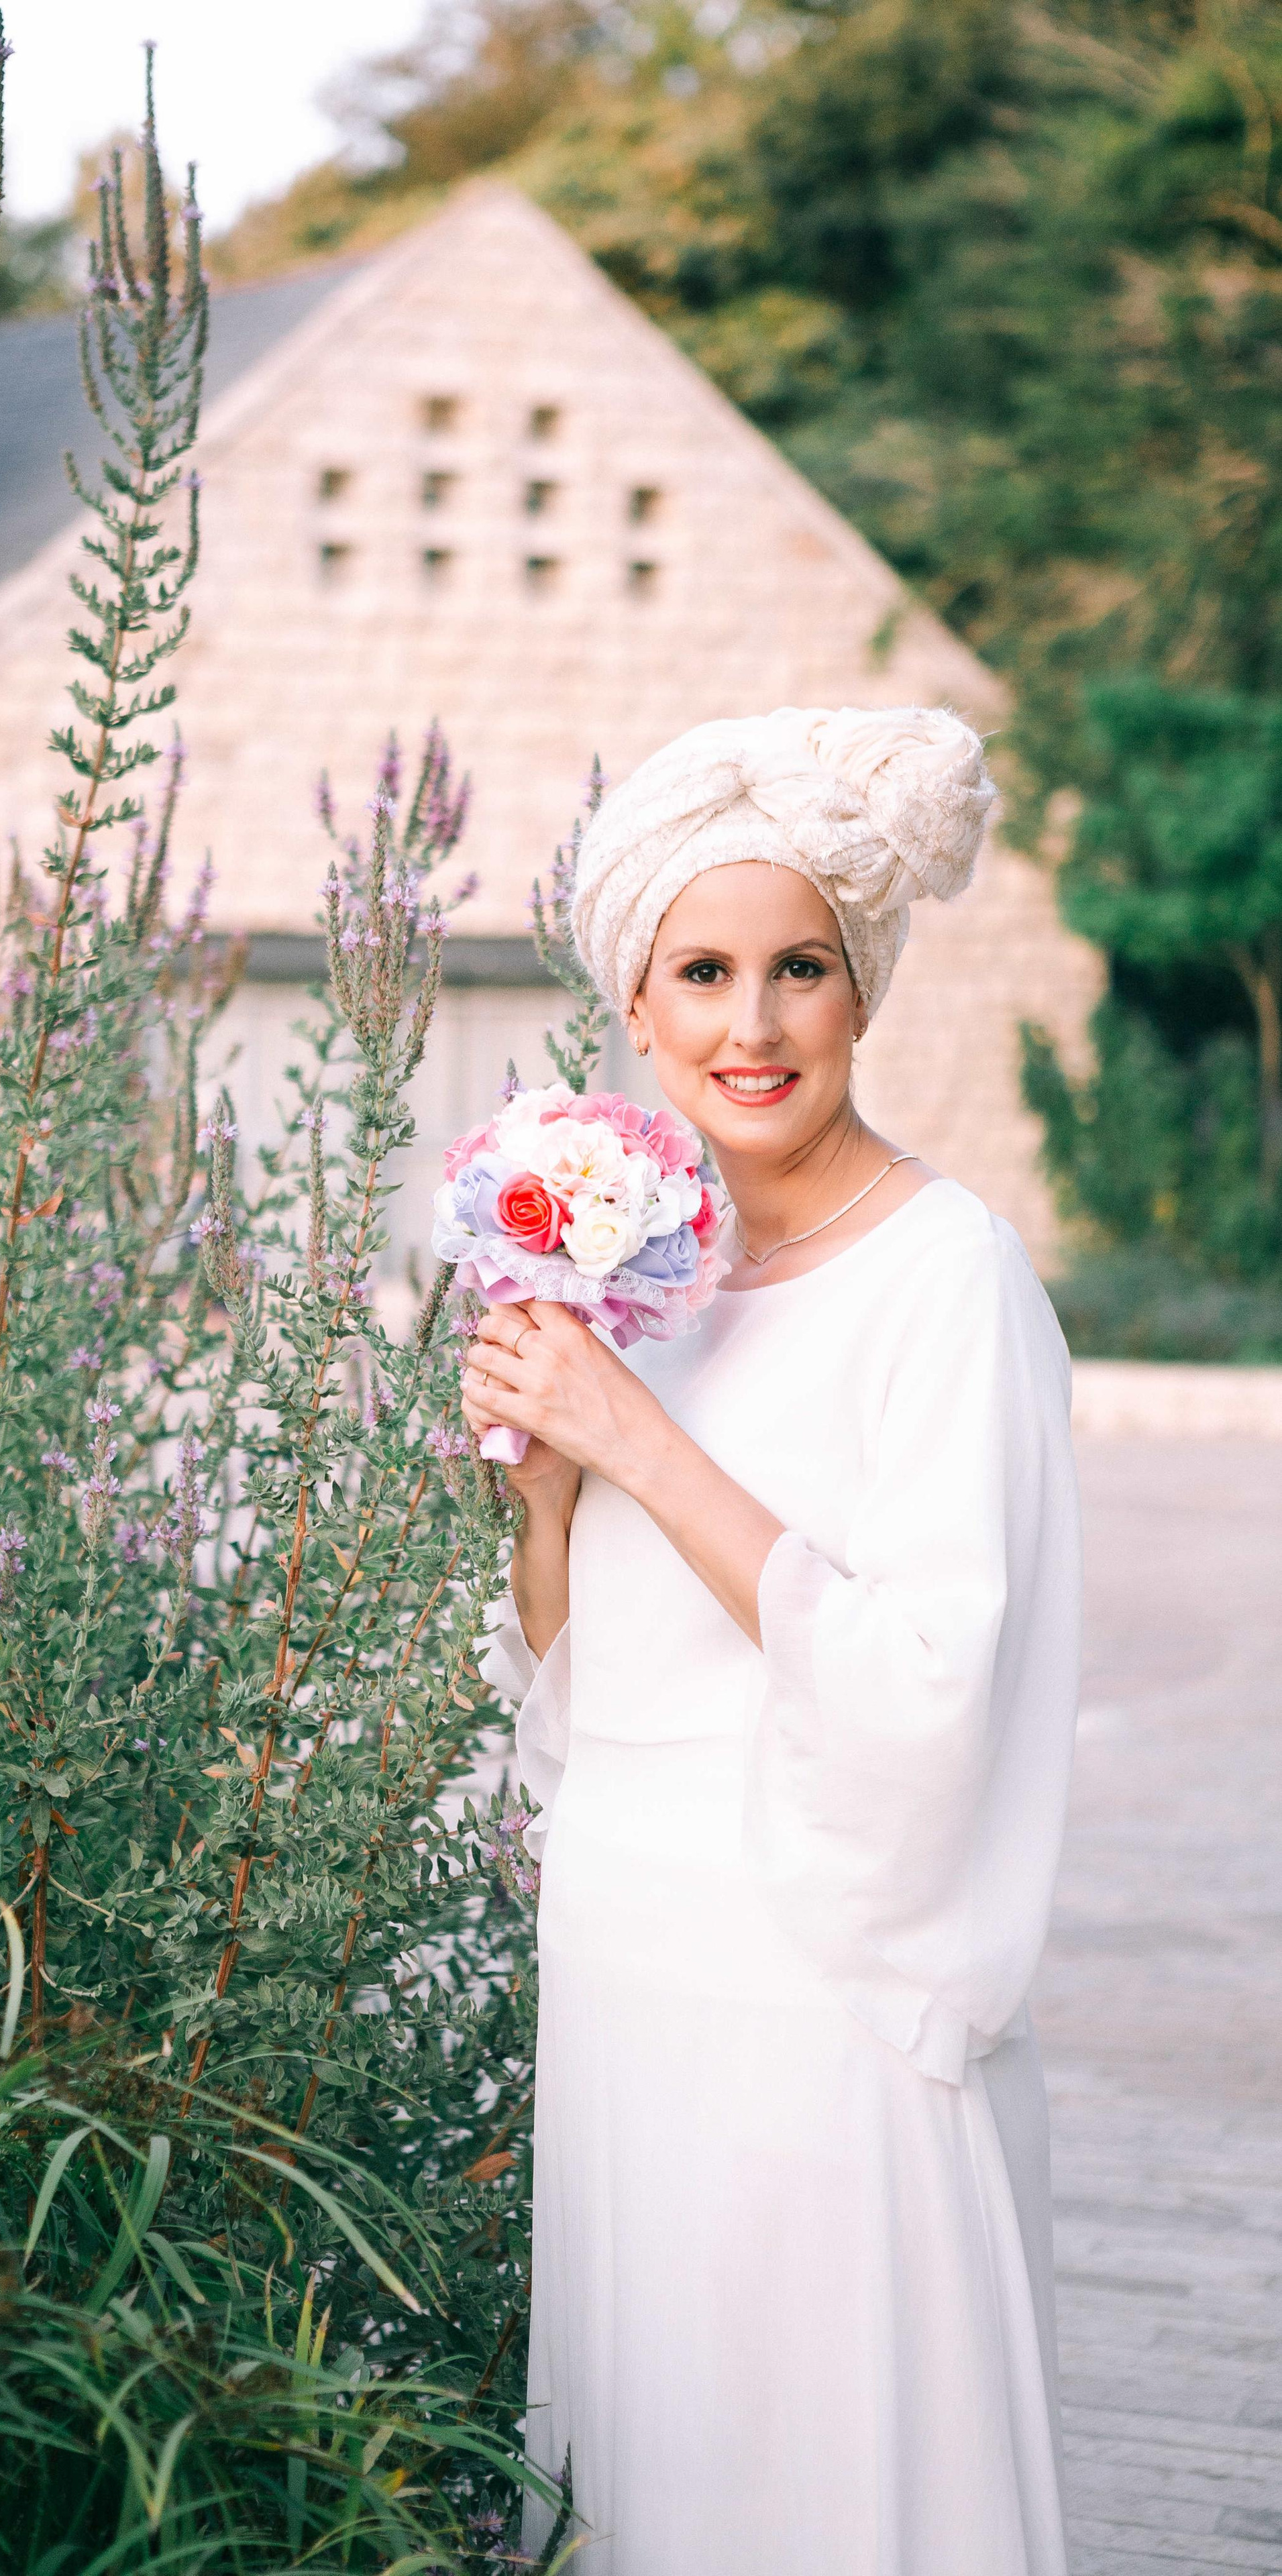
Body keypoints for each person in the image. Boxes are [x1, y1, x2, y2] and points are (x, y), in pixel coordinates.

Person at [464, 704, 1080, 2575]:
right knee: (652, 2460)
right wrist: (550, 1486)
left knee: (821, 2468)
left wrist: (636, 1440)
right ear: (635, 1014)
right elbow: (584, 1693)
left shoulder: (944, 1274)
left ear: (863, 995)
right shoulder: (645, 1277)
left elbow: (921, 1685)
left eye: (800, 968)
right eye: (705, 972)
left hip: (823, 1971)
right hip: (633, 1951)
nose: (755, 1024)